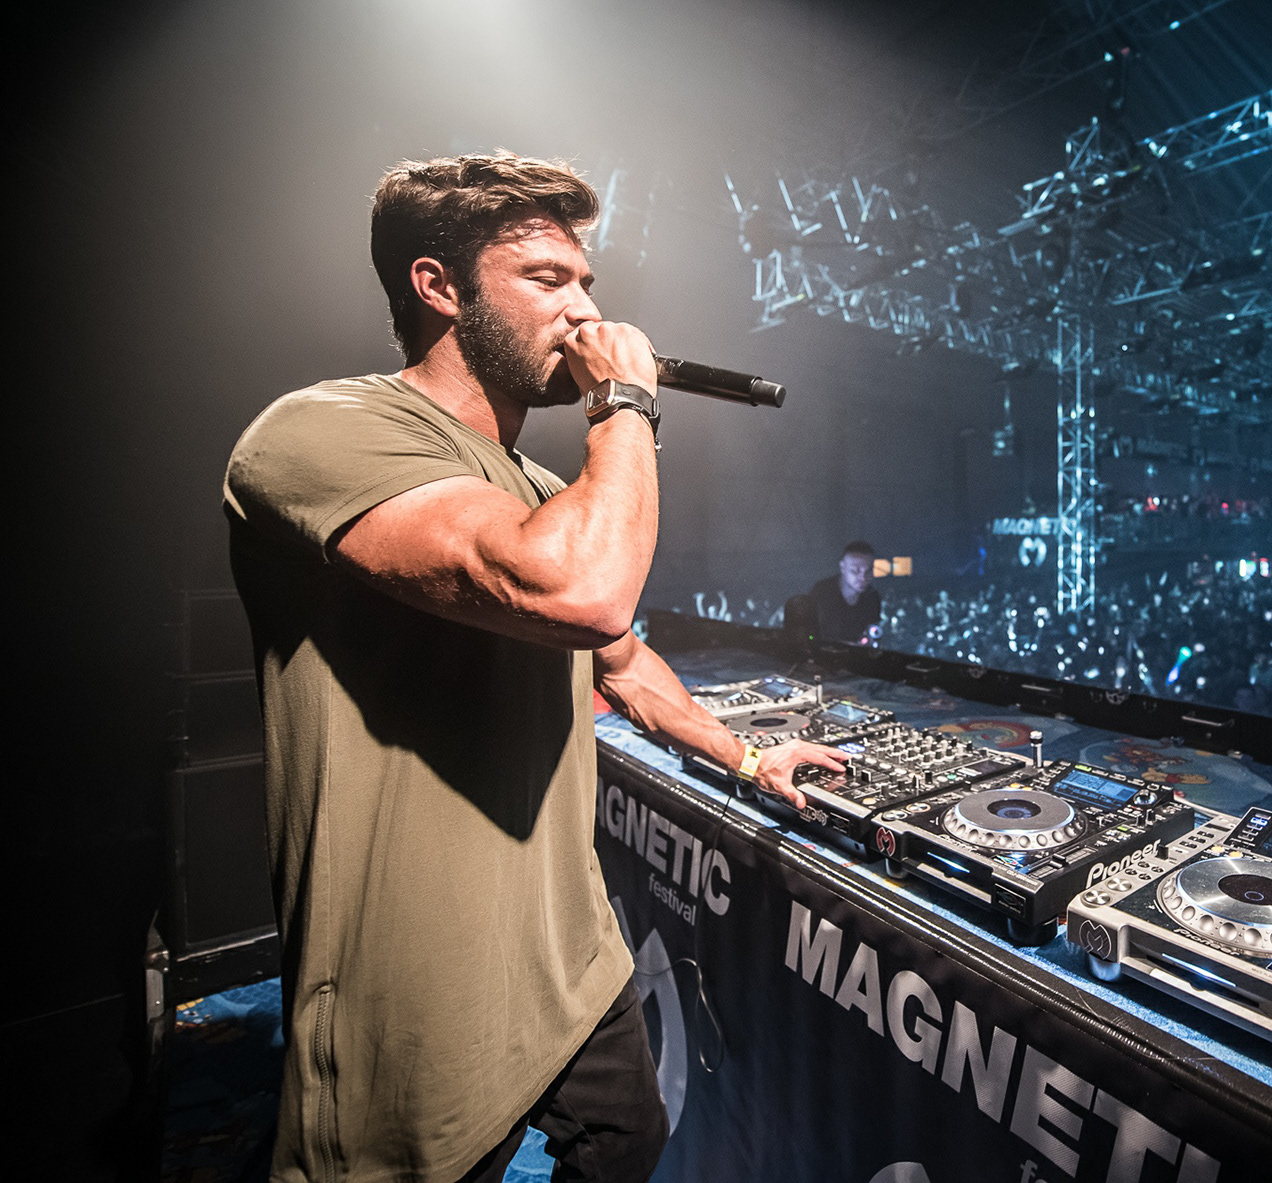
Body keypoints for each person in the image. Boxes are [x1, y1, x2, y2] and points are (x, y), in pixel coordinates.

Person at [223, 152, 846, 1183]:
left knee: (630, 1135)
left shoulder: (546, 489)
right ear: (439, 287)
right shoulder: (324, 432)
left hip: (567, 951)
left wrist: (746, 756)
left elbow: (623, 657)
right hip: (420, 989)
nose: (586, 310)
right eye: (547, 279)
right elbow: (583, 592)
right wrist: (625, 403)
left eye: (586, 283)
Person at [808, 540, 883, 644]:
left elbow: (873, 634)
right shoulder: (821, 592)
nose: (863, 578)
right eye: (855, 571)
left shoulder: (872, 598)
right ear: (843, 567)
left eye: (868, 571)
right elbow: (809, 632)